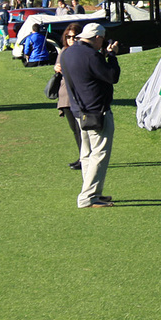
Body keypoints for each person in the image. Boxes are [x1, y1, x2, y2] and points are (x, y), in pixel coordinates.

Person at [61, 23, 120, 208]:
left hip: (79, 110)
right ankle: (88, 197)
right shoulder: (92, 55)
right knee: (99, 154)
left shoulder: (68, 52)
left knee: (86, 154)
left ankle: (93, 192)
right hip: (96, 111)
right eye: (101, 40)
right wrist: (111, 56)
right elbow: (112, 76)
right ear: (97, 38)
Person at [53, 24, 83, 170]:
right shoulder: (64, 51)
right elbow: (58, 66)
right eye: (68, 37)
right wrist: (57, 68)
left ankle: (85, 158)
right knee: (75, 130)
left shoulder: (83, 52)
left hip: (79, 96)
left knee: (82, 129)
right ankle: (81, 157)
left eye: (74, 36)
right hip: (65, 95)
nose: (71, 39)